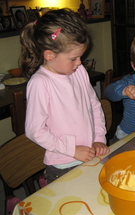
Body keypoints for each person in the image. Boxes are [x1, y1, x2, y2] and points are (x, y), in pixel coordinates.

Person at [20, 8, 110, 183]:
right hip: (64, 163)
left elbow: (94, 105)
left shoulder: (79, 71)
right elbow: (34, 131)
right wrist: (72, 150)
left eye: (80, 57)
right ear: (50, 55)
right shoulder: (40, 83)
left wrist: (99, 138)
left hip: (91, 153)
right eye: (74, 58)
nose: (79, 63)